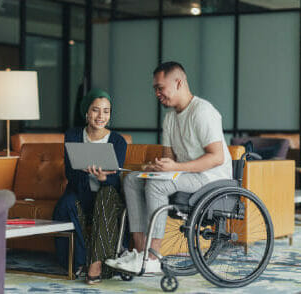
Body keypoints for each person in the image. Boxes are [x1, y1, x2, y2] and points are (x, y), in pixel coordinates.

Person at [106, 61, 232, 274]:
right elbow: (168, 159)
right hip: (187, 175)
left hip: (211, 178)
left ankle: (153, 257)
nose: (157, 93)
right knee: (131, 179)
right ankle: (140, 252)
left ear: (179, 83)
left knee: (156, 185)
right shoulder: (170, 118)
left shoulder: (202, 112)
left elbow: (217, 157)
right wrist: (157, 166)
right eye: (155, 88)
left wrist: (175, 167)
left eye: (160, 88)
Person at [52, 88, 127, 284]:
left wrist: (103, 178)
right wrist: (84, 171)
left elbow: (115, 178)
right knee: (65, 205)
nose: (101, 116)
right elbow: (70, 172)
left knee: (105, 196)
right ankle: (76, 262)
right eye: (95, 110)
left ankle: (95, 263)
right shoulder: (73, 135)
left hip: (107, 193)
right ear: (86, 112)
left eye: (106, 111)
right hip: (80, 191)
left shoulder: (118, 140)